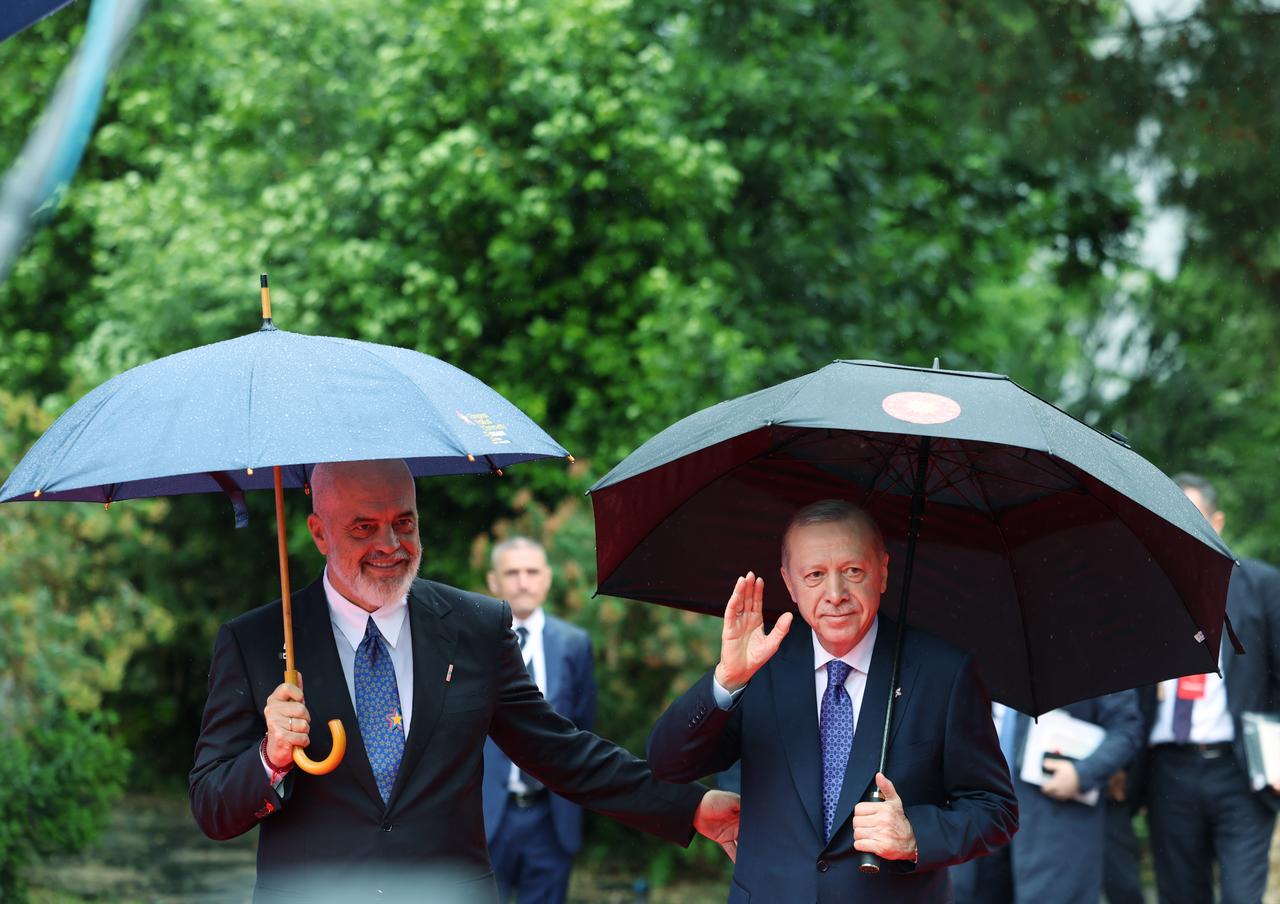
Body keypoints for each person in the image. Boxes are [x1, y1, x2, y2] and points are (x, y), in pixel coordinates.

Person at [189, 459, 739, 904]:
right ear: (318, 532)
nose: (391, 544)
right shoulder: (257, 641)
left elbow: (560, 751)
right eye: (364, 526)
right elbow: (212, 807)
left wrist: (686, 806)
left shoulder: (476, 626)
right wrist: (270, 757)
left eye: (404, 521)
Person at [647, 499, 1018, 903]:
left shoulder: (942, 673)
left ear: (882, 572)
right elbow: (667, 763)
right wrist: (727, 678)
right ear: (789, 583)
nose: (835, 593)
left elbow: (994, 808)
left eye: (852, 571)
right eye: (815, 575)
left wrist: (915, 836)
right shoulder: (761, 663)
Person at [1134, 472, 1280, 904]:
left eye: (1192, 513)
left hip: (1239, 769)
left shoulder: (1262, 586)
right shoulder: (1146, 590)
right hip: (1168, 772)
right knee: (1179, 893)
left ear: (1217, 522)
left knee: (1241, 894)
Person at [481, 537, 596, 904]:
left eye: (532, 572)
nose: (523, 582)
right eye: (512, 573)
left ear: (547, 579)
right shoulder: (473, 642)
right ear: (493, 581)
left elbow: (583, 727)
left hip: (551, 816)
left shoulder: (574, 644)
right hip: (486, 815)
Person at [951, 690, 1143, 904]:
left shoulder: (1098, 659)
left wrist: (1081, 774)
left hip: (1055, 820)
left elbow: (1126, 731)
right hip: (981, 816)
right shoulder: (976, 661)